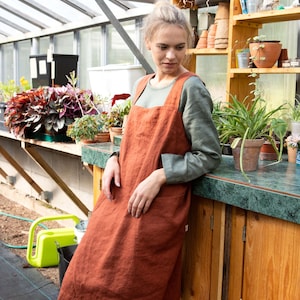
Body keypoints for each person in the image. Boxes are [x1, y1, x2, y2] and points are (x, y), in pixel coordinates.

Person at [58, 1, 221, 299]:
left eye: (180, 47)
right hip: (119, 198)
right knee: (85, 274)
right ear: (148, 43)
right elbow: (133, 139)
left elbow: (208, 155)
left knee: (133, 285)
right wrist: (113, 158)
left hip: (154, 207)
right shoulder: (142, 85)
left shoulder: (191, 88)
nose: (171, 55)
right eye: (163, 46)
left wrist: (160, 176)